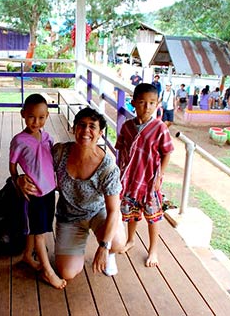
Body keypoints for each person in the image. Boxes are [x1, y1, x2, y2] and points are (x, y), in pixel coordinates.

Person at [30, 107, 126, 280]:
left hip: (98, 212)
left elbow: (113, 210)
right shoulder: (60, 152)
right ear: (74, 129)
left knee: (117, 243)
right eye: (81, 125)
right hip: (69, 217)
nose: (86, 131)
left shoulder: (108, 168)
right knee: (67, 273)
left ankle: (109, 254)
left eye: (92, 126)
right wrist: (20, 177)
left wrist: (104, 246)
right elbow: (37, 169)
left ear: (100, 133)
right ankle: (81, 243)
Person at [9, 93, 66, 289]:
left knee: (38, 226)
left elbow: (50, 162)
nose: (36, 121)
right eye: (32, 116)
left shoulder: (48, 137)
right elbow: (12, 166)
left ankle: (27, 254)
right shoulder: (19, 141)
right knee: (41, 232)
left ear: (47, 116)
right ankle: (48, 271)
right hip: (34, 192)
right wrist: (18, 180)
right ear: (23, 114)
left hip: (50, 191)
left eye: (41, 117)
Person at [115, 83, 174, 267]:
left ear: (157, 104)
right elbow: (121, 150)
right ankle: (131, 239)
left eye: (151, 103)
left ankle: (153, 249)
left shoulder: (160, 128)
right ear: (133, 103)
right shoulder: (127, 127)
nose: (147, 107)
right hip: (130, 179)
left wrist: (158, 177)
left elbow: (167, 152)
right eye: (142, 102)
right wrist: (119, 173)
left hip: (149, 181)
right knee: (131, 214)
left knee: (152, 216)